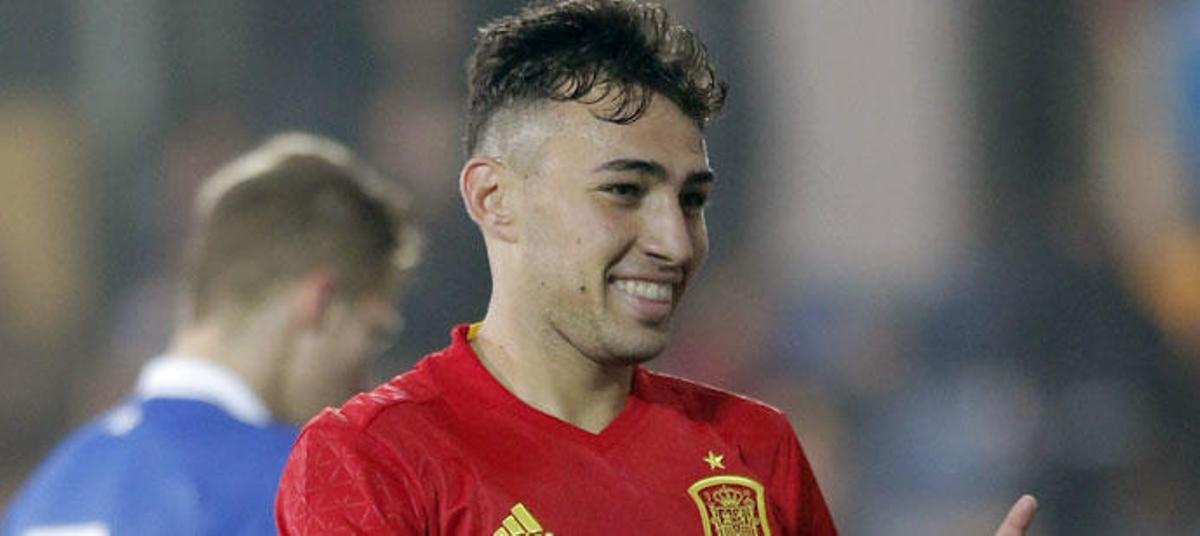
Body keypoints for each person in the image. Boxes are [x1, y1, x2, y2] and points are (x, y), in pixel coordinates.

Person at [275, 1, 1037, 535]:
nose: (675, 241)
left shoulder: (755, 448)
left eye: (692, 199)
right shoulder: (372, 459)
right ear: (494, 199)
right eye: (624, 192)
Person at [1, 132, 420, 535]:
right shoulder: (298, 492)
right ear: (320, 302)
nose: (367, 384)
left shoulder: (51, 489)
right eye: (373, 334)